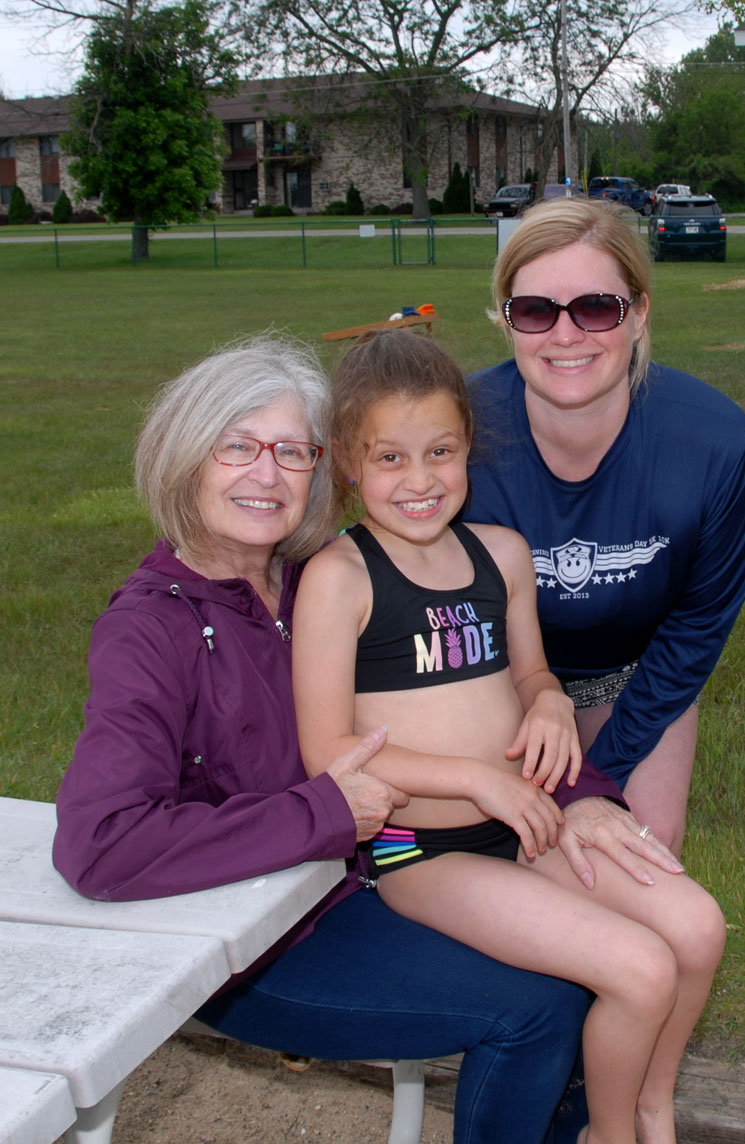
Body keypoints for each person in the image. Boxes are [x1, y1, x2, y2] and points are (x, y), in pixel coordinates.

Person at [52, 335, 681, 1144]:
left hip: (367, 877)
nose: (267, 475)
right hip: (263, 936)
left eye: (291, 451)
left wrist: (580, 792)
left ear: (323, 467)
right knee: (538, 1008)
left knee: (610, 963)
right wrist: (322, 813)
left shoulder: (314, 575)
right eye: (236, 447)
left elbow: (480, 691)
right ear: (183, 458)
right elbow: (103, 844)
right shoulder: (150, 629)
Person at [291, 328, 727, 1144]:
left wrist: (552, 702)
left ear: (469, 447)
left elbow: (530, 675)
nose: (420, 480)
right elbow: (328, 754)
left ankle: (650, 1108)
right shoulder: (340, 578)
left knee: (697, 930)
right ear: (348, 461)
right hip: (425, 854)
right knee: (639, 969)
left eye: (441, 452)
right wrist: (476, 777)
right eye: (390, 458)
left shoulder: (502, 555)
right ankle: (608, 1133)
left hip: (527, 822)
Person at [466, 197, 745, 855]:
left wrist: (599, 777)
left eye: (597, 308)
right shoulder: (454, 434)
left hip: (632, 677)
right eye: (536, 311)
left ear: (639, 314)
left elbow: (695, 630)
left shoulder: (713, 444)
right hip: (490, 679)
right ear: (507, 320)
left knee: (640, 855)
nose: (566, 335)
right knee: (504, 858)